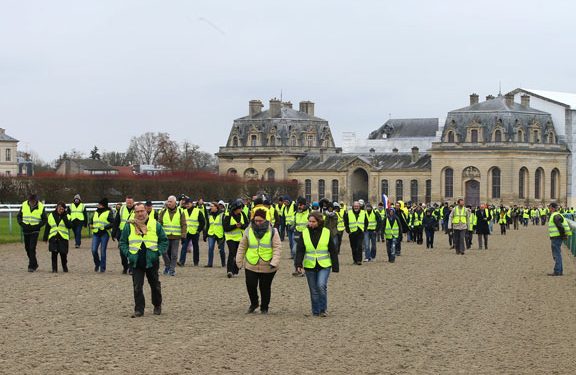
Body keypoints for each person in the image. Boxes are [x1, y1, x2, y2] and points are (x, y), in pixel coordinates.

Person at [120, 202, 168, 317]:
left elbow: (164, 241)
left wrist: (157, 253)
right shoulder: (129, 226)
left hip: (151, 260)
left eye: (142, 211)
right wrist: (128, 254)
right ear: (134, 213)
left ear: (146, 211)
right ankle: (139, 309)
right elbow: (122, 243)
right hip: (136, 260)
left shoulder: (155, 224)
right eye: (137, 211)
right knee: (137, 286)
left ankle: (157, 305)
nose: (140, 213)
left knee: (155, 285)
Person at [236, 209, 281, 314]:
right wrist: (239, 260)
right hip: (251, 262)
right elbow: (242, 246)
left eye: (260, 220)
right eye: (256, 220)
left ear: (265, 220)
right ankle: (254, 303)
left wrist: (275, 261)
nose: (258, 222)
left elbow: (277, 247)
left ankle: (264, 307)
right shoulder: (248, 230)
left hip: (268, 264)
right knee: (250, 285)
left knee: (265, 287)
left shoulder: (273, 231)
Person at [295, 212, 339, 317]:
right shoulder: (304, 233)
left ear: (319, 222)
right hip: (310, 265)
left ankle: (323, 309)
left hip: (324, 265)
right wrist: (298, 264)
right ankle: (315, 311)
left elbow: (332, 250)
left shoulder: (326, 232)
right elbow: (300, 250)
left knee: (321, 285)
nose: (311, 223)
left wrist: (335, 266)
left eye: (313, 221)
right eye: (309, 221)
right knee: (313, 289)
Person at [17, 194, 47, 272]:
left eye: (33, 201)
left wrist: (38, 226)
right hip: (26, 229)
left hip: (35, 230)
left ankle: (31, 266)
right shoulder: (24, 204)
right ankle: (35, 263)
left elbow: (44, 219)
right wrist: (22, 224)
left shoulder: (41, 206)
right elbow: (19, 216)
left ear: (36, 200)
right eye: (31, 201)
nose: (32, 203)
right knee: (27, 248)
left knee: (32, 248)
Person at [158, 195, 187, 276]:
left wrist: (183, 235)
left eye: (170, 201)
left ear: (175, 203)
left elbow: (183, 224)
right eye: (168, 201)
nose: (168, 203)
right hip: (165, 237)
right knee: (164, 252)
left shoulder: (180, 212)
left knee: (174, 254)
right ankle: (167, 266)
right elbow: (159, 224)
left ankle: (172, 269)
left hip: (176, 237)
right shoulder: (163, 212)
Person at [223, 199, 249, 278]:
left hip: (240, 238)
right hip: (230, 238)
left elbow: (247, 225)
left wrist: (241, 226)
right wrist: (235, 226)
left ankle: (236, 269)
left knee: (238, 254)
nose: (241, 209)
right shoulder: (228, 215)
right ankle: (229, 271)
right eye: (240, 208)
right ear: (235, 208)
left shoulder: (243, 214)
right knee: (232, 252)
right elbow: (225, 228)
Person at [43, 202, 72, 273]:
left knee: (63, 254)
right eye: (59, 208)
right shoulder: (51, 215)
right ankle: (54, 269)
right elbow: (47, 227)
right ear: (56, 208)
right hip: (53, 237)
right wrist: (45, 237)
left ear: (64, 209)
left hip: (63, 237)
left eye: (62, 209)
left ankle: (64, 267)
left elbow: (69, 226)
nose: (60, 210)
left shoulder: (68, 216)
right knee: (54, 253)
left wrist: (65, 218)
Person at [112, 196, 136, 274]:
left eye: (130, 203)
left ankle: (132, 268)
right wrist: (113, 233)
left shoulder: (137, 209)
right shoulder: (121, 209)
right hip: (122, 234)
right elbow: (116, 221)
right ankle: (125, 266)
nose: (129, 204)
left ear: (133, 202)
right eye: (127, 202)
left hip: (133, 234)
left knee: (133, 251)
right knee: (122, 252)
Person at [178, 198, 205, 267]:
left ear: (192, 203)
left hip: (195, 232)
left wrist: (198, 230)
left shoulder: (198, 211)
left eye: (188, 204)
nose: (187, 205)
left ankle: (196, 262)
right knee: (184, 247)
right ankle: (181, 262)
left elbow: (202, 222)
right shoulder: (184, 211)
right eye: (186, 204)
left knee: (196, 247)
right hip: (186, 232)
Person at [90, 198, 114, 272]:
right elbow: (91, 221)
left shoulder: (108, 212)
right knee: (93, 250)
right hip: (96, 233)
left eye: (100, 204)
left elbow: (113, 223)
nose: (98, 206)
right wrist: (90, 224)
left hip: (104, 233)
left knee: (103, 251)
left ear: (103, 205)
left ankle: (102, 268)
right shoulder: (95, 212)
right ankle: (97, 263)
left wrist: (105, 227)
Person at [547, 202, 571, 276]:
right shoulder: (557, 215)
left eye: (550, 207)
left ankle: (557, 271)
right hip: (557, 236)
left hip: (556, 237)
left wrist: (563, 235)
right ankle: (559, 271)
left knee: (556, 254)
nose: (549, 208)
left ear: (553, 208)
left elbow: (560, 226)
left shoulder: (555, 215)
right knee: (557, 254)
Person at [344, 201, 366, 265]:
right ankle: (355, 260)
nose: (356, 207)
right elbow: (346, 222)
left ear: (359, 207)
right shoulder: (349, 213)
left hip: (360, 231)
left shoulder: (363, 213)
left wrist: (364, 229)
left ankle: (359, 260)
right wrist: (348, 231)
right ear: (353, 207)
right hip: (352, 232)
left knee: (359, 246)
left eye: (357, 206)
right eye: (355, 206)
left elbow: (366, 222)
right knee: (353, 247)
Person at [205, 201, 226, 267]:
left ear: (216, 207)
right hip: (211, 234)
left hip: (220, 234)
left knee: (221, 250)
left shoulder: (222, 215)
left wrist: (224, 235)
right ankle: (209, 264)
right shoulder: (209, 215)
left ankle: (223, 263)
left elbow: (224, 225)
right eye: (210, 206)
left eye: (212, 206)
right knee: (210, 248)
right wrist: (205, 234)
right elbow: (208, 225)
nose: (210, 208)